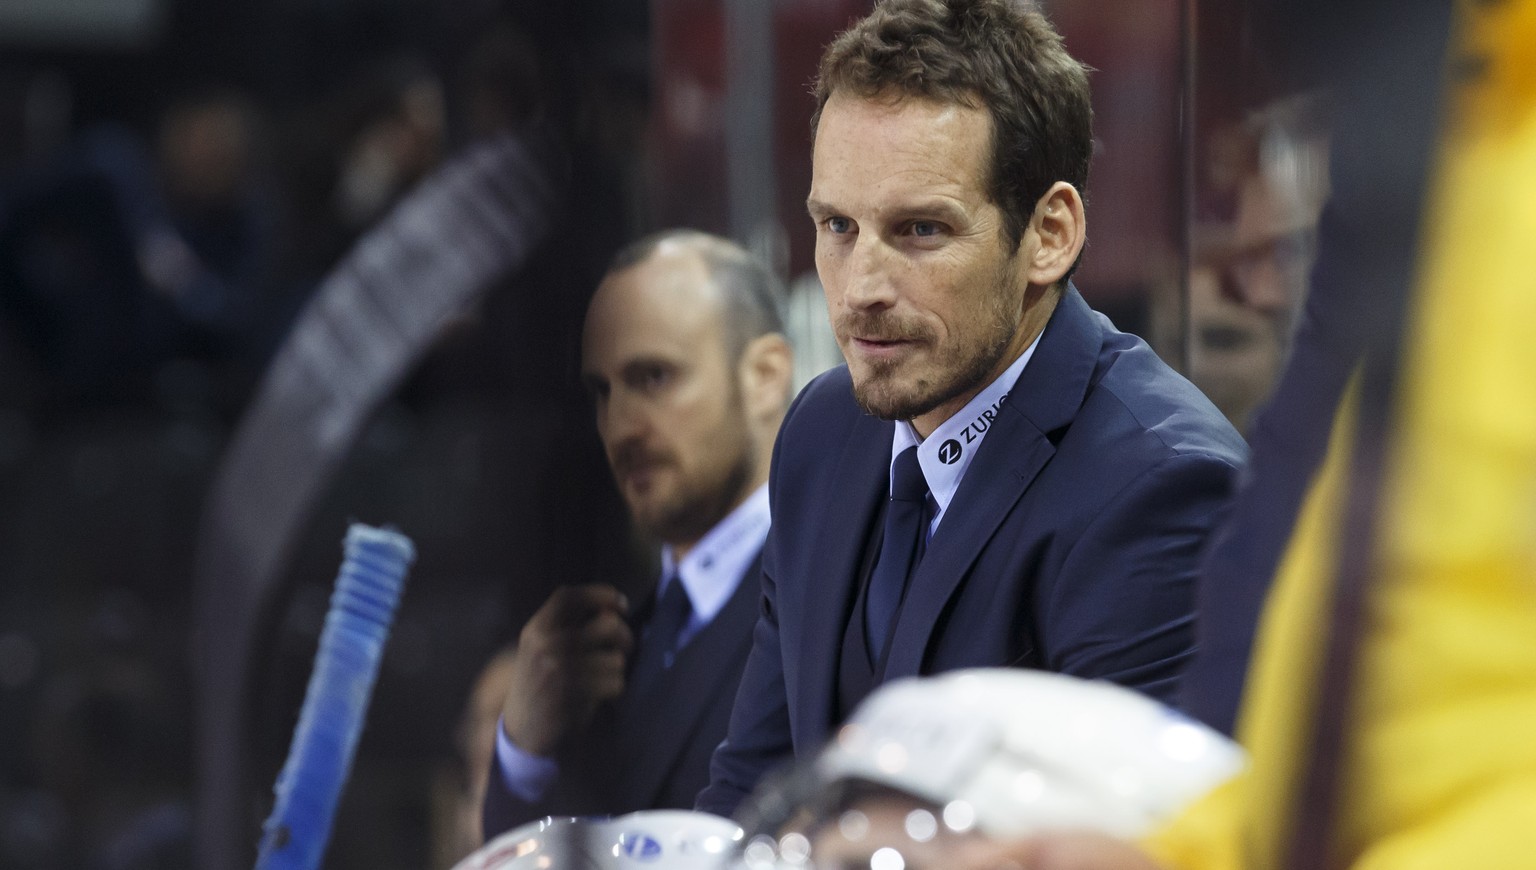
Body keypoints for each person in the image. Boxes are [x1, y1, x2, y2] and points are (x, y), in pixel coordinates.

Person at [696, 0, 1246, 816]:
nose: (860, 288)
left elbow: (1130, 849)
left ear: (1049, 234)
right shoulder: (820, 435)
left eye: (919, 230)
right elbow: (755, 797)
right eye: (837, 225)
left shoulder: (1162, 489)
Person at [478, 230, 794, 838]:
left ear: (765, 375)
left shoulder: (842, 591)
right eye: (601, 392)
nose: (619, 427)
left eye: (653, 377)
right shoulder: (600, 642)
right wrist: (524, 753)